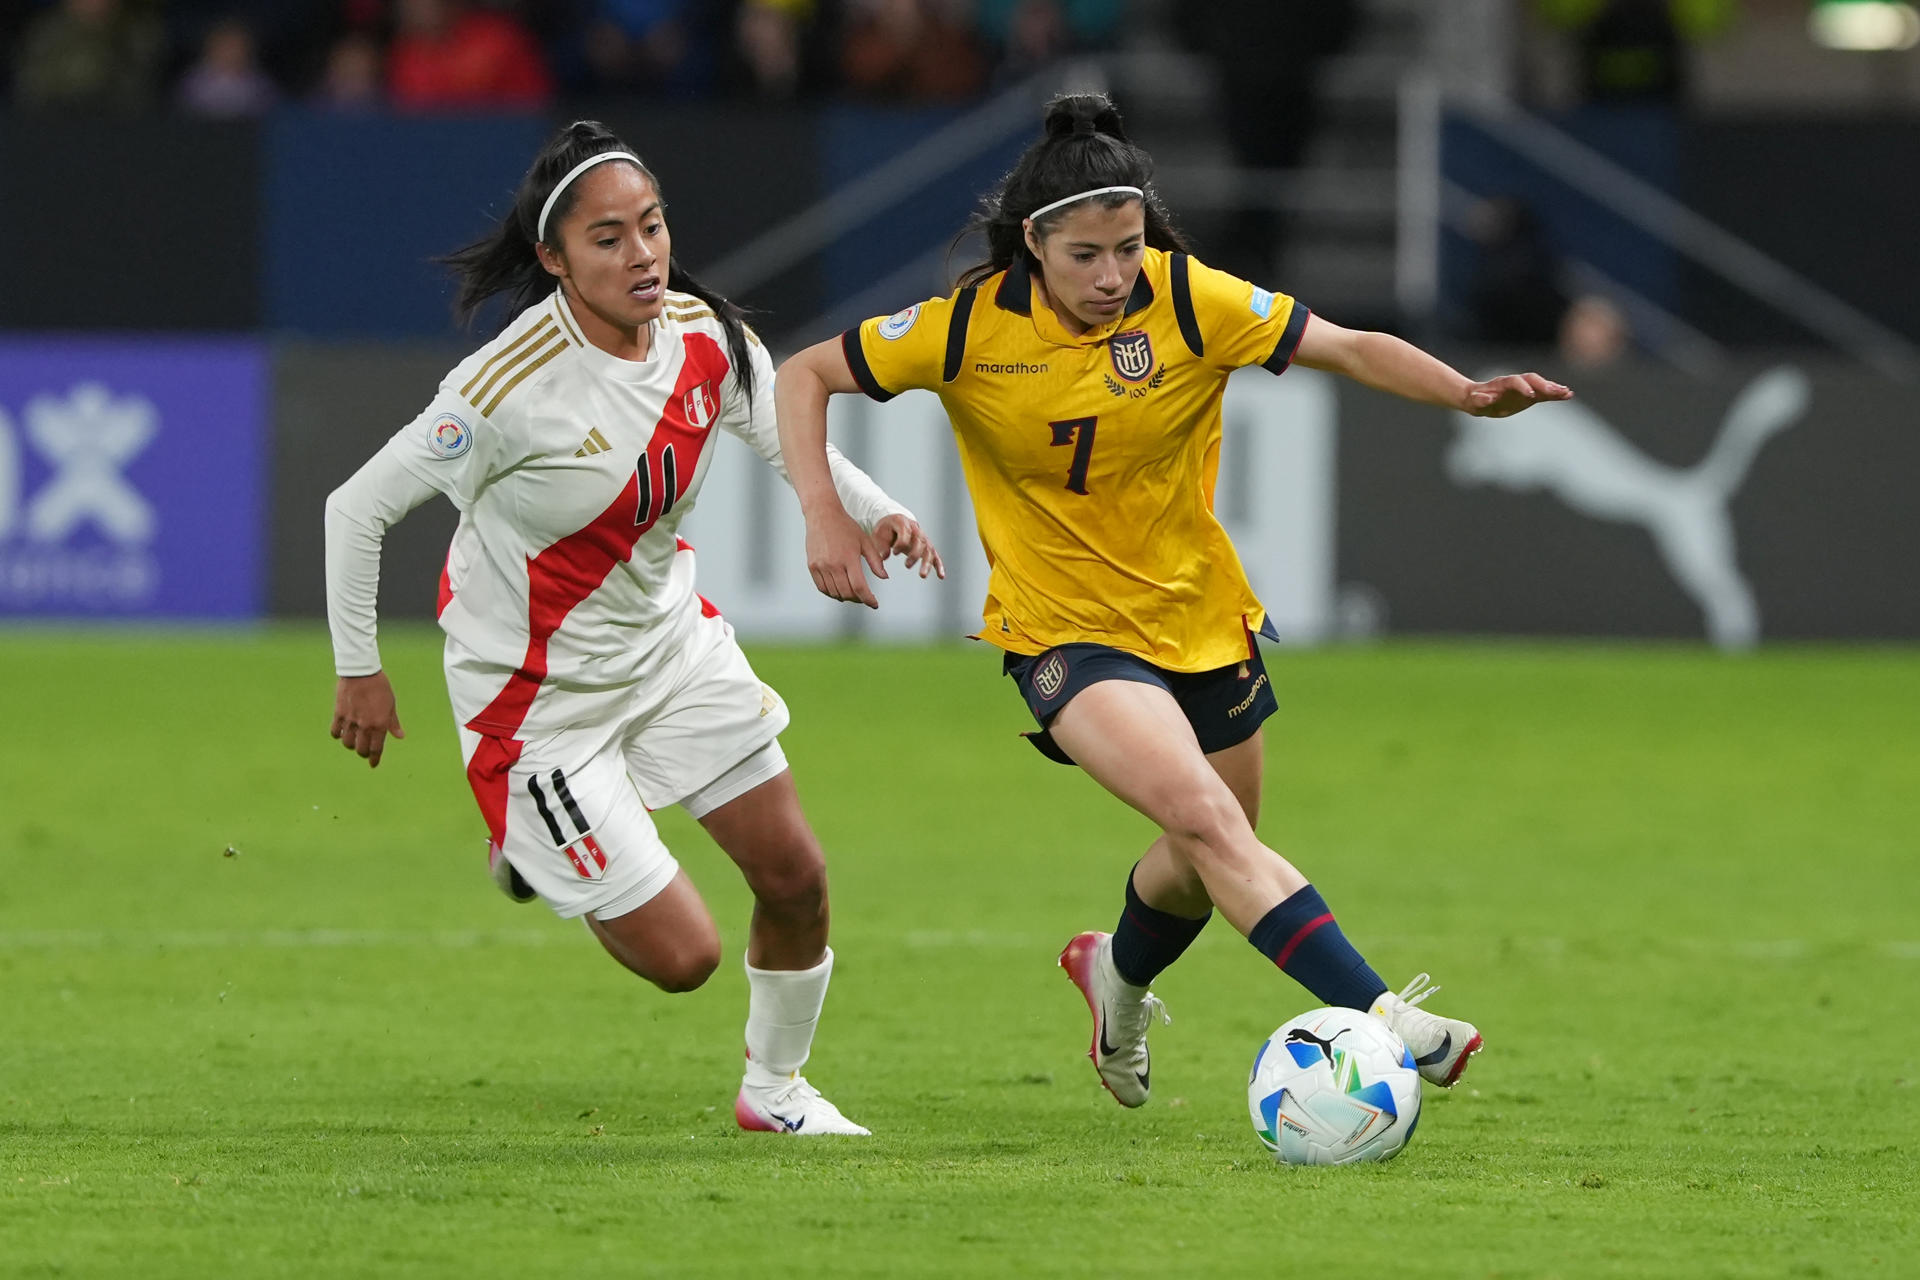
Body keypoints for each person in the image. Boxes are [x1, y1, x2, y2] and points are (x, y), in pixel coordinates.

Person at [775, 93, 1572, 1108]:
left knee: (1207, 853)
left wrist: (1465, 391)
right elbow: (802, 375)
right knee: (1203, 814)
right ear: (1034, 244)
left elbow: (1350, 344)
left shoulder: (1190, 299)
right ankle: (1387, 1020)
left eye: (1128, 247)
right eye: (1087, 256)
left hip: (1203, 618)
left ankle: (1116, 975)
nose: (1114, 276)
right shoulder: (968, 327)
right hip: (1063, 630)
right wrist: (822, 511)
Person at [324, 120, 939, 1136]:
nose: (642, 253)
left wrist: (873, 509)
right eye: (607, 238)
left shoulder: (704, 336)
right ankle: (527, 837)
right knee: (684, 959)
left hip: (669, 650)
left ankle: (776, 1092)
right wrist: (359, 669)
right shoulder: (501, 392)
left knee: (798, 876)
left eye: (650, 226)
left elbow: (787, 438)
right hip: (539, 703)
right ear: (553, 258)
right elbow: (356, 508)